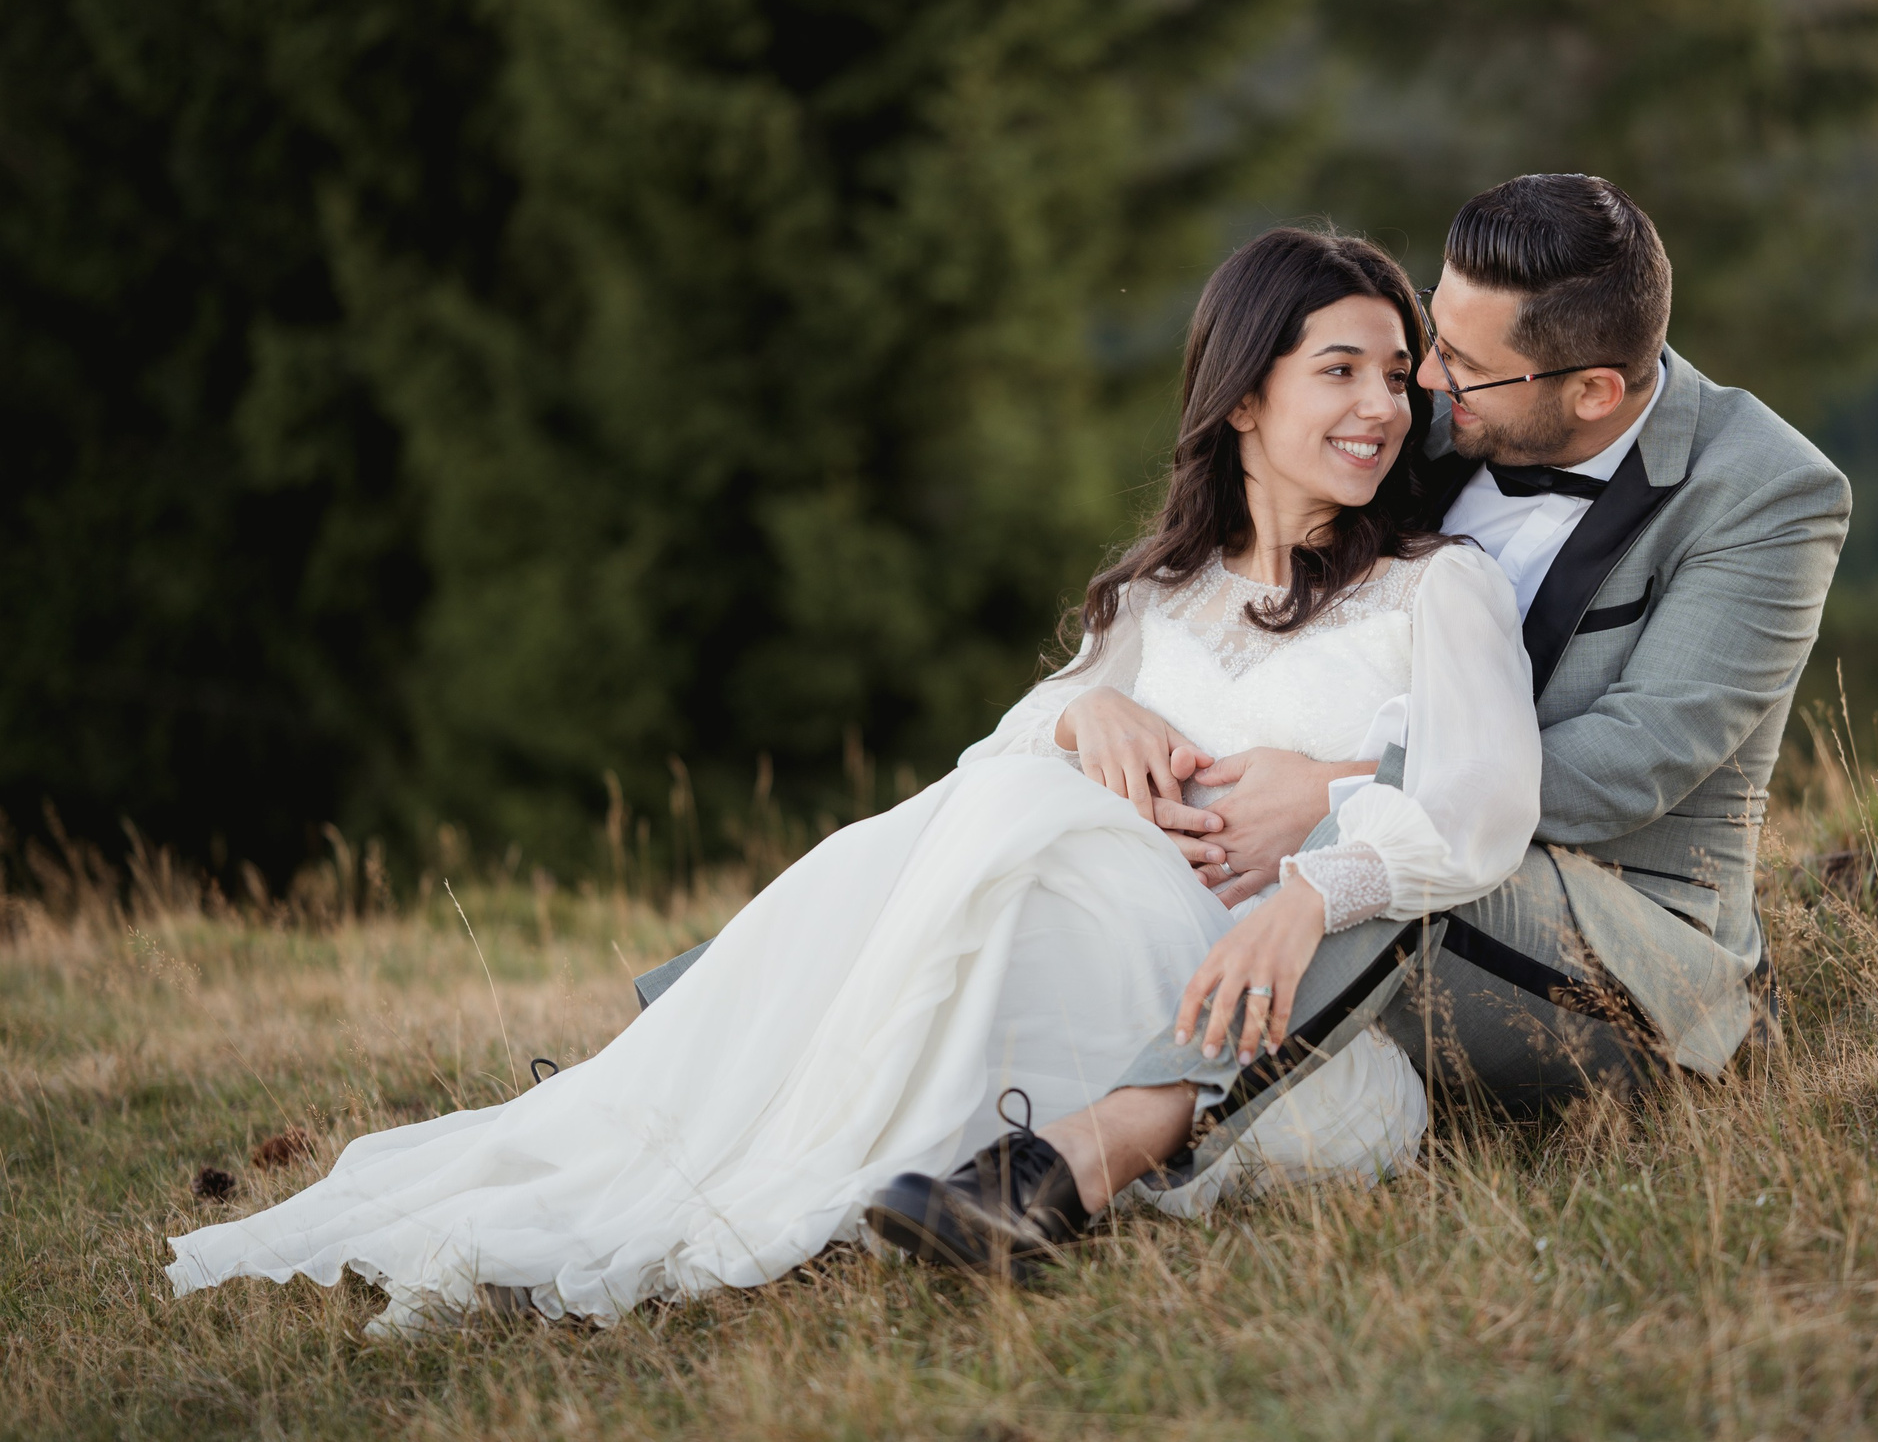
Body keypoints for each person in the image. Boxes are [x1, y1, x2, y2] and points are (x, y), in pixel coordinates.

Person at [163, 228, 1542, 1332]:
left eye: (1396, 372)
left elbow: (1482, 808)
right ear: (1245, 393)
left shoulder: (1437, 591)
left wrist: (1328, 828)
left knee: (999, 819)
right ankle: (700, 1128)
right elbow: (992, 769)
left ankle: (806, 1142)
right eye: (1341, 370)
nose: (1382, 405)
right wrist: (1084, 718)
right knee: (989, 805)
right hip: (1082, 956)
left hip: (1251, 1013)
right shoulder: (1155, 597)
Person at [1118, 172, 1852, 1172]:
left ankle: (1102, 1151)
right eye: (1435, 336)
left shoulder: (1765, 494)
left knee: (1381, 858)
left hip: (1620, 953)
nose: (1417, 380)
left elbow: (1631, 763)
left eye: (1460, 363)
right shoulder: (1432, 416)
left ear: (1592, 390)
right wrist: (1102, 707)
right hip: (1371, 875)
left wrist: (1336, 792)